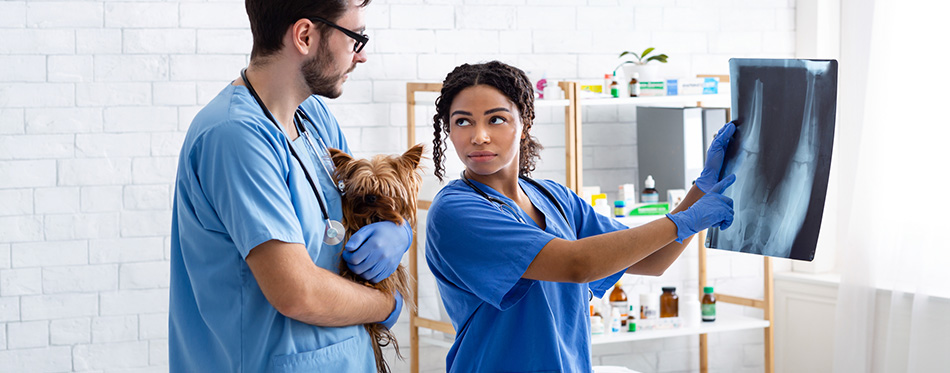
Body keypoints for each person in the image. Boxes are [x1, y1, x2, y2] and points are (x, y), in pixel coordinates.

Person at [425, 61, 737, 372]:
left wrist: (701, 188)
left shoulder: (554, 198)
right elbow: (577, 265)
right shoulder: (455, 212)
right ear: (449, 130)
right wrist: (686, 221)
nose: (479, 136)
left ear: (524, 124)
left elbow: (652, 260)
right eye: (463, 122)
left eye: (496, 119)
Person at [168, 1, 411, 371]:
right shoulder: (234, 135)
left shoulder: (313, 118)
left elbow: (357, 209)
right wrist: (388, 305)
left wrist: (398, 229)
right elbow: (298, 293)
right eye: (355, 39)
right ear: (305, 36)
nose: (361, 57)